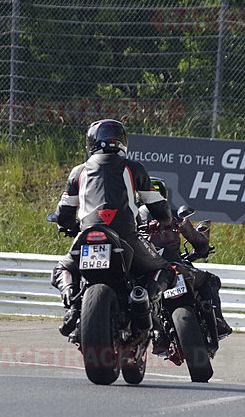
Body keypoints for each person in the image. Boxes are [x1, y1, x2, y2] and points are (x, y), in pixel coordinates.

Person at [50, 119, 176, 338]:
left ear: (91, 144)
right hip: (127, 237)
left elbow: (63, 214)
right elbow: (158, 208)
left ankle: (71, 304)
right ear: (122, 142)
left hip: (87, 236)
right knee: (164, 269)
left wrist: (67, 226)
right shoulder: (133, 168)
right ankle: (142, 298)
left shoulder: (78, 172)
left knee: (63, 269)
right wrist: (165, 218)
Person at [138, 177, 233, 346]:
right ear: (163, 195)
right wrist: (202, 250)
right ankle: (217, 320)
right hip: (173, 266)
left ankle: (156, 333)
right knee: (211, 279)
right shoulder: (172, 213)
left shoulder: (132, 216)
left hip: (143, 271)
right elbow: (198, 240)